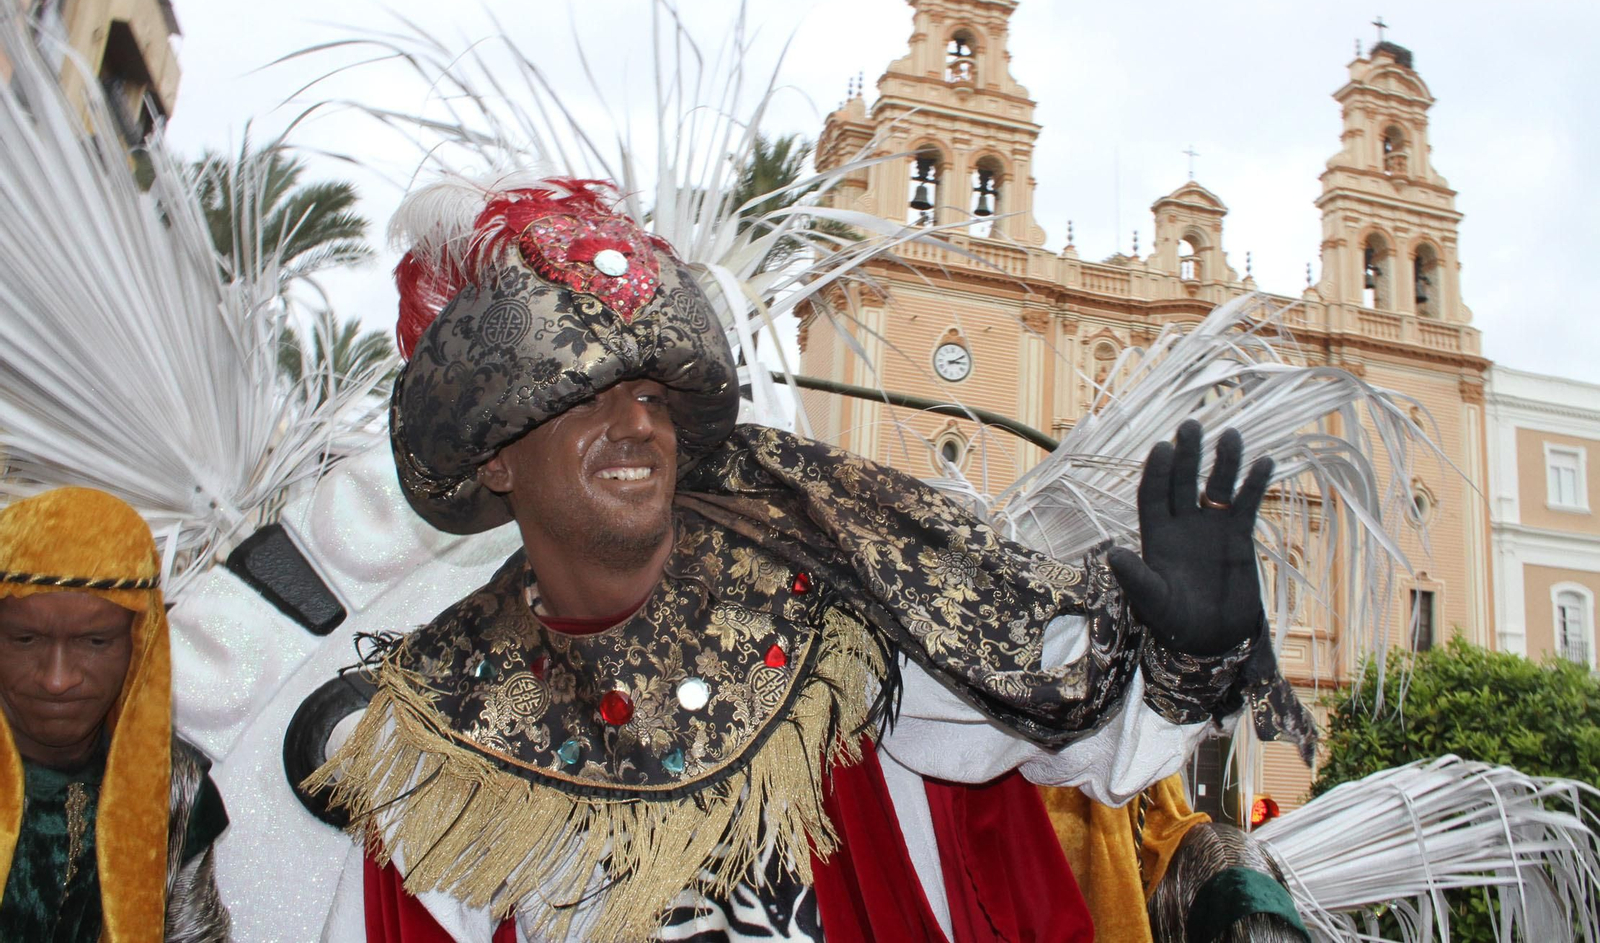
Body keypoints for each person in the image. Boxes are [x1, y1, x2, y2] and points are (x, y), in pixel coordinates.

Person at [314, 176, 1314, 942]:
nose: (635, 425)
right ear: (494, 455)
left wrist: (1179, 659)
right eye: (580, 395)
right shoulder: (434, 749)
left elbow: (1055, 717)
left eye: (654, 394)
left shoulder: (837, 607)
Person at [0, 487, 230, 943]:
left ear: (140, 645)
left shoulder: (173, 785)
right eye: (25, 640)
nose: (58, 679)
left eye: (94, 642)